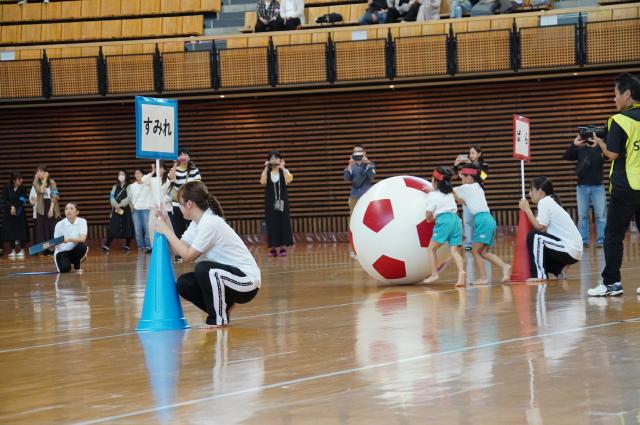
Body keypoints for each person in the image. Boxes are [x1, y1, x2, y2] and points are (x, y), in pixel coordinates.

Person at [154, 181, 261, 328]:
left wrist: (165, 231)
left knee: (204, 269)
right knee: (184, 284)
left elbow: (188, 256)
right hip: (225, 278)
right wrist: (166, 221)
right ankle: (225, 307)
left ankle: (217, 319)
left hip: (246, 282)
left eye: (179, 204)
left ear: (189, 204)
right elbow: (178, 250)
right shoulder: (196, 223)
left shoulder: (210, 223)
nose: (179, 208)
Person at [587, 73, 640, 297]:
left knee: (613, 235)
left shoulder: (618, 120)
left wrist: (600, 143)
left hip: (626, 185)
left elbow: (613, 154)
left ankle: (611, 283)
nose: (614, 99)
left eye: (615, 94)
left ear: (627, 94)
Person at [454, 164, 510, 284]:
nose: (461, 181)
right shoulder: (477, 187)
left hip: (482, 220)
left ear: (469, 178)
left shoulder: (468, 187)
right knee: (483, 252)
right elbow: (465, 201)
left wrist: (434, 190)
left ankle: (483, 278)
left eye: (462, 178)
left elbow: (449, 190)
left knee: (475, 251)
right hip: (488, 219)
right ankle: (505, 266)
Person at [518, 176, 583, 282]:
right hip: (574, 250)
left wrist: (527, 209)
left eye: (531, 190)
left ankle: (539, 275)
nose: (529, 194)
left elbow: (539, 228)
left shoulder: (545, 202)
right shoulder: (549, 201)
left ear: (540, 191)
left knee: (535, 237)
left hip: (570, 248)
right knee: (535, 249)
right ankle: (559, 269)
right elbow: (541, 229)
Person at [422, 167, 466, 287]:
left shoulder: (432, 195)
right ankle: (461, 272)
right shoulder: (450, 193)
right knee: (454, 251)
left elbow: (428, 214)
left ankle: (434, 274)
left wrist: (430, 219)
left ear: (435, 182)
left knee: (431, 249)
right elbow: (442, 193)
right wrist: (434, 190)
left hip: (444, 220)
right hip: (456, 220)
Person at [563, 131, 607, 247]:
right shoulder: (580, 150)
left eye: (592, 136)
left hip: (598, 186)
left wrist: (599, 143)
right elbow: (566, 156)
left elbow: (610, 155)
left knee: (601, 216)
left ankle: (602, 240)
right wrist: (574, 144)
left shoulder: (601, 149)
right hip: (582, 187)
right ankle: (583, 241)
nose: (590, 138)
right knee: (582, 217)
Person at [453, 144, 489, 250]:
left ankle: (479, 240)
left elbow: (483, 177)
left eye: (473, 153)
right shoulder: (467, 166)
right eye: (470, 153)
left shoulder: (484, 165)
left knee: (477, 219)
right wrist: (456, 165)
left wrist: (472, 166)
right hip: (467, 194)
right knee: (467, 220)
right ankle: (469, 242)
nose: (471, 155)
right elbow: (457, 176)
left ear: (479, 154)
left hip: (477, 194)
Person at [260, 150, 294, 257]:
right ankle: (273, 248)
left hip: (282, 202)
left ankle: (283, 247)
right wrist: (266, 168)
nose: (274, 160)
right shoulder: (267, 172)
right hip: (270, 203)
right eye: (272, 158)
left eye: (276, 158)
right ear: (269, 160)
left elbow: (289, 180)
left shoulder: (284, 171)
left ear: (280, 160)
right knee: (272, 223)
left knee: (283, 222)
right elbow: (263, 181)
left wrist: (283, 167)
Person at [171, 148, 201, 240]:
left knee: (193, 228)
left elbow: (198, 185)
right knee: (178, 230)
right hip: (177, 204)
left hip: (191, 204)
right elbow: (171, 179)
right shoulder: (175, 170)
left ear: (189, 157)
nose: (183, 156)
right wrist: (175, 164)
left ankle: (193, 247)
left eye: (185, 154)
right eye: (181, 155)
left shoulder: (194, 170)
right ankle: (181, 248)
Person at [30, 165, 60, 255]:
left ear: (45, 172)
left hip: (52, 205)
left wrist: (51, 209)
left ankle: (53, 249)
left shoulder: (52, 182)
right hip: (41, 207)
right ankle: (45, 249)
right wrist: (44, 179)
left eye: (41, 171)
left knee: (52, 227)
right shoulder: (36, 182)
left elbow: (55, 195)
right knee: (43, 229)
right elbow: (41, 190)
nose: (38, 173)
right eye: (37, 171)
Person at [143, 161, 175, 246]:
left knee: (167, 230)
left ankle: (169, 248)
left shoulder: (167, 180)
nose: (158, 169)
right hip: (154, 209)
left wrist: (161, 202)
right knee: (153, 229)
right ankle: (155, 248)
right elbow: (144, 180)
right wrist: (153, 171)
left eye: (160, 167)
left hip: (165, 208)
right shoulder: (152, 179)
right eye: (157, 167)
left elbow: (170, 194)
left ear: (164, 170)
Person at [103, 170, 134, 252]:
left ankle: (127, 244)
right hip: (116, 209)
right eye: (119, 174)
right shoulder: (114, 186)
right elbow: (111, 197)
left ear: (126, 176)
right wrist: (116, 205)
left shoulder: (130, 186)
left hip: (126, 209)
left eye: (123, 174)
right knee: (113, 226)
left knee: (127, 226)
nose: (121, 176)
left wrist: (120, 205)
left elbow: (129, 198)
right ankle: (107, 245)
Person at [53, 202, 89, 273]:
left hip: (74, 250)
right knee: (65, 270)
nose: (68, 211)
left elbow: (82, 239)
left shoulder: (82, 221)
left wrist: (68, 239)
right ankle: (67, 263)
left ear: (77, 212)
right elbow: (56, 243)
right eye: (66, 209)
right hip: (62, 252)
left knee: (83, 246)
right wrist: (52, 245)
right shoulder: (59, 224)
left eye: (71, 209)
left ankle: (77, 265)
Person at [2, 172, 29, 259]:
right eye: (19, 179)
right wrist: (11, 207)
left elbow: (22, 200)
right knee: (11, 231)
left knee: (21, 230)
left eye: (21, 179)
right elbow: (5, 200)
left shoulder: (23, 188)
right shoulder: (7, 188)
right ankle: (13, 250)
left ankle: (22, 250)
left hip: (20, 212)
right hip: (9, 212)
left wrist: (15, 207)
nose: (21, 180)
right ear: (14, 180)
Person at [129, 168, 153, 253]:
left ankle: (148, 246)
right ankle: (140, 247)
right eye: (136, 173)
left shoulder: (148, 184)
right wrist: (132, 206)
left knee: (147, 229)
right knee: (137, 230)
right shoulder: (132, 186)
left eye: (139, 173)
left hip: (146, 209)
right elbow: (130, 197)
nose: (137, 175)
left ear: (143, 174)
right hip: (136, 210)